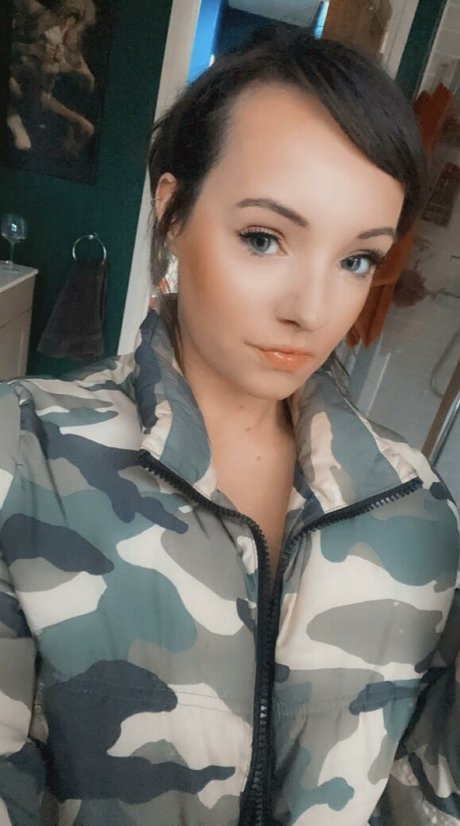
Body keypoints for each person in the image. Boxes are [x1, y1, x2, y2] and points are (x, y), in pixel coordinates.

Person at [0, 25, 458, 826]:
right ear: (173, 212)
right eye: (264, 239)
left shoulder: (416, 508)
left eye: (356, 259)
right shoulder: (25, 455)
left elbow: (425, 795)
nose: (311, 310)